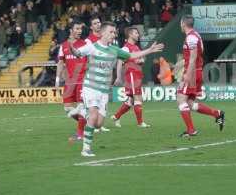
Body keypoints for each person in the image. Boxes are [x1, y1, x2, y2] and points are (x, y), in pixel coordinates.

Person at [70, 21, 164, 157]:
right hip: (90, 87)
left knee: (99, 123)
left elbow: (131, 56)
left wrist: (149, 50)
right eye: (110, 32)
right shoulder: (92, 47)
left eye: (114, 32)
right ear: (102, 33)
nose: (113, 35)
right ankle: (86, 149)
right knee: (94, 116)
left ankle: (82, 112)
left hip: (103, 91)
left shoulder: (114, 50)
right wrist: (73, 49)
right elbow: (78, 53)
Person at [176, 15, 225, 137]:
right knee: (191, 103)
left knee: (181, 99)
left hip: (192, 73)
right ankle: (217, 113)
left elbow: (193, 56)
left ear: (183, 23)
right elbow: (200, 52)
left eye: (180, 23)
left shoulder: (191, 37)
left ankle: (191, 130)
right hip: (197, 71)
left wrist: (187, 73)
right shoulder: (196, 35)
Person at [55, 22, 88, 142]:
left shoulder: (85, 44)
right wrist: (58, 79)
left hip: (81, 81)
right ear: (71, 30)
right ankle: (86, 122)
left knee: (81, 106)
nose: (79, 31)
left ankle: (80, 133)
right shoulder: (63, 46)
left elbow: (90, 61)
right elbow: (60, 63)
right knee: (68, 108)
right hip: (69, 82)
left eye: (81, 29)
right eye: (77, 28)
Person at [112, 27, 150, 128]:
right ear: (130, 35)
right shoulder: (126, 48)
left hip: (137, 75)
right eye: (136, 33)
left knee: (130, 101)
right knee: (138, 98)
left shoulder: (136, 47)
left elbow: (141, 59)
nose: (138, 35)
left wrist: (141, 61)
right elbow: (119, 62)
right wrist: (118, 77)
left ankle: (116, 116)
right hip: (131, 75)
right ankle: (140, 123)